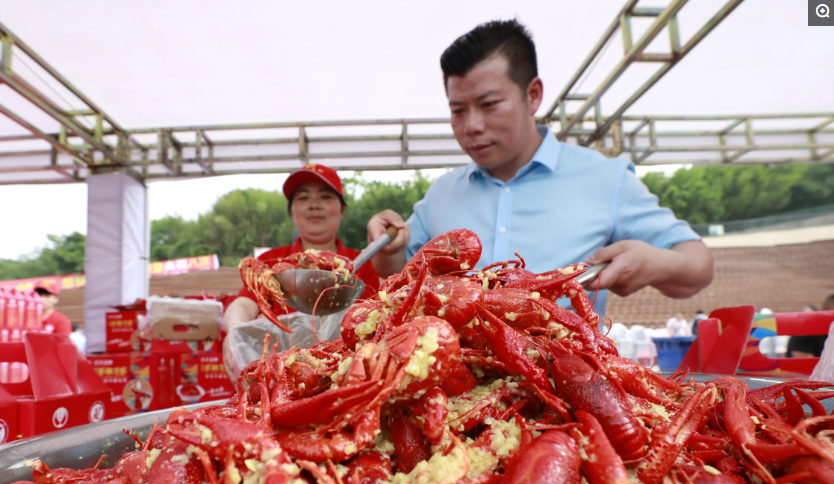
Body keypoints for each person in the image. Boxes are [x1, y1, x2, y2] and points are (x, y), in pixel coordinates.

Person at [366, 20, 713, 314]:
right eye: (458, 110)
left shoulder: (605, 178)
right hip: (456, 386)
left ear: (532, 95)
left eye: (489, 104)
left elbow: (698, 265)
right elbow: (397, 272)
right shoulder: (443, 192)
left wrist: (656, 263)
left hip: (564, 384)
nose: (471, 125)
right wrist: (387, 246)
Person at [222, 164, 381, 367]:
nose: (314, 205)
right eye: (303, 198)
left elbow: (374, 319)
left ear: (342, 210)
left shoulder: (362, 263)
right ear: (292, 211)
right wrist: (234, 331)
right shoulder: (272, 260)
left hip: (344, 368)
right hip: (280, 369)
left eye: (325, 197)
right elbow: (244, 304)